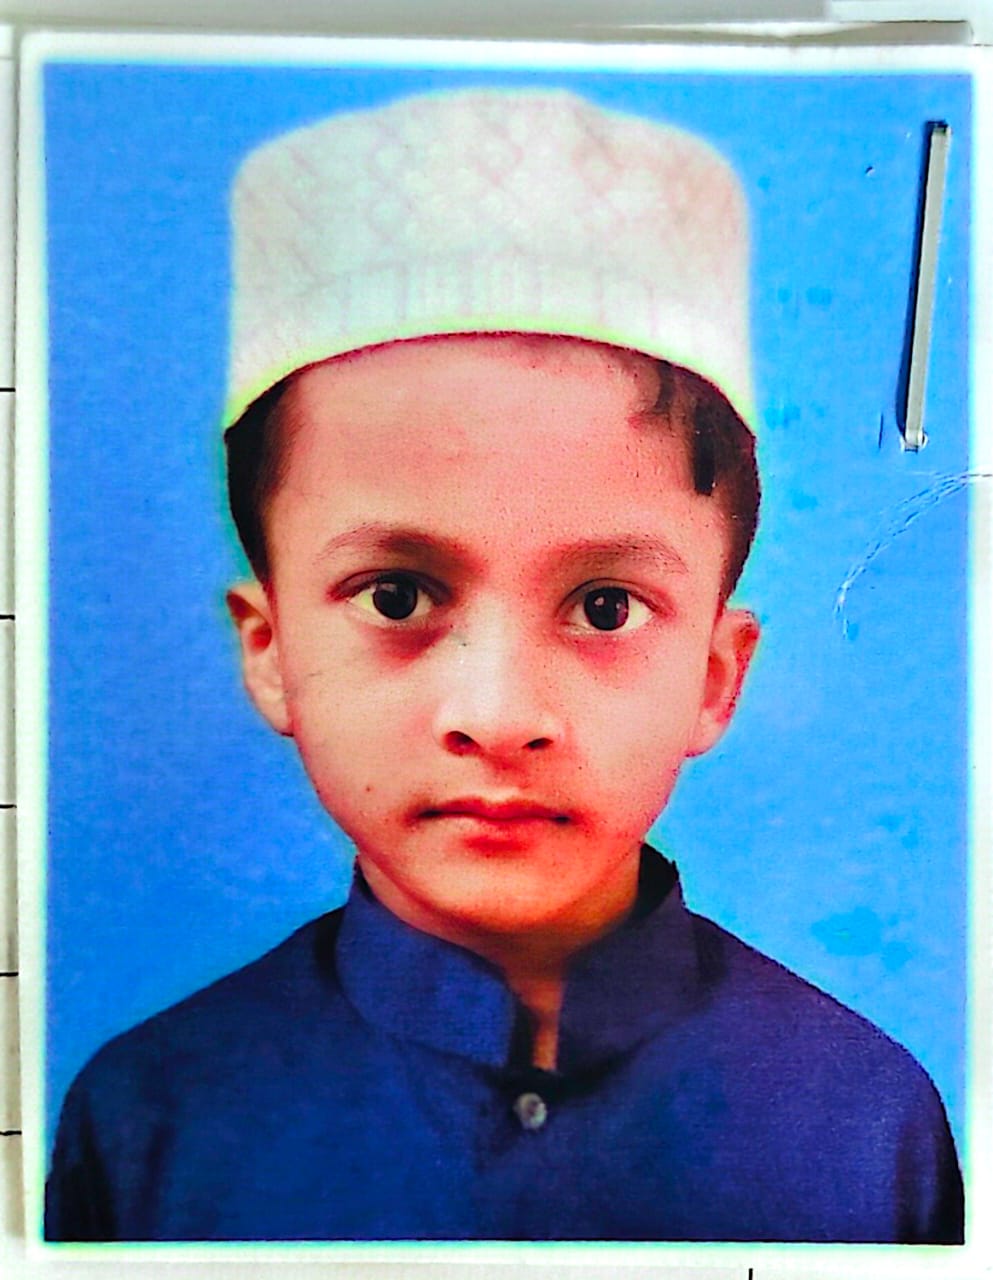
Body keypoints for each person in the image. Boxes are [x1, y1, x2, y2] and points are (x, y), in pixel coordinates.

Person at [44, 87, 964, 1244]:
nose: (499, 713)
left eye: (605, 605)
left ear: (717, 674)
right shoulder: (150, 1123)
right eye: (397, 595)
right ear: (268, 647)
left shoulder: (867, 1123)